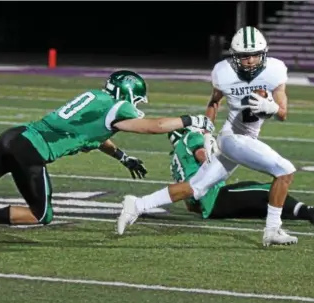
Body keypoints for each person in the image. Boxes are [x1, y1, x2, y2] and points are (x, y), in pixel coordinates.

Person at [0, 70, 215, 247]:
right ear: (127, 93)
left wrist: (123, 157)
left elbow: (94, 137)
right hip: (31, 152)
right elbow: (154, 126)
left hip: (15, 137)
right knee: (41, 215)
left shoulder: (95, 100)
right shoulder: (116, 108)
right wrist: (192, 119)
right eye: (135, 99)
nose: (136, 105)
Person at [117, 26, 301, 247]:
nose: (250, 61)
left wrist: (271, 108)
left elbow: (283, 114)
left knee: (196, 187)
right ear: (234, 56)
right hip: (232, 138)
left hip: (245, 139)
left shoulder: (275, 70)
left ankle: (137, 204)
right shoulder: (224, 73)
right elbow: (214, 102)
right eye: (244, 56)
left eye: (254, 55)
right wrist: (207, 132)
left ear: (264, 54)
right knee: (285, 170)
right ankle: (272, 229)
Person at [167, 128, 314, 224]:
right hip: (214, 198)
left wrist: (205, 210)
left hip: (209, 205)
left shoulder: (176, 161)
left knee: (265, 205)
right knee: (267, 191)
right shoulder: (190, 138)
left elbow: (190, 206)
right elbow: (202, 155)